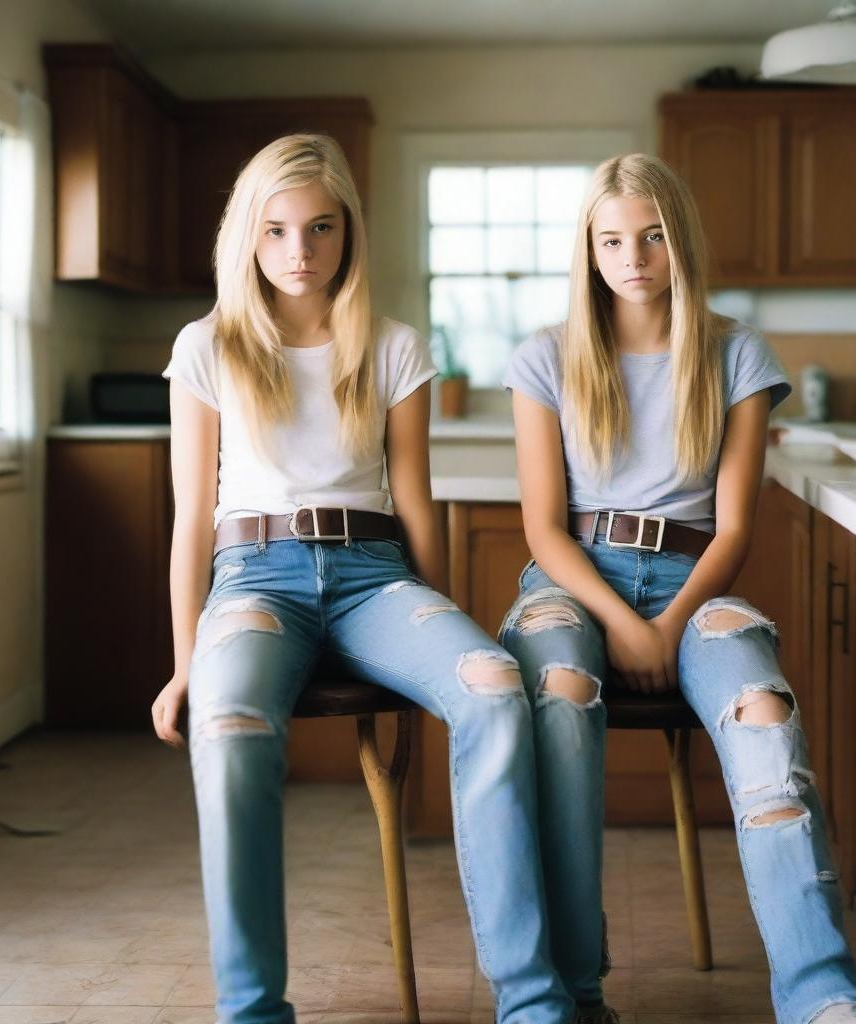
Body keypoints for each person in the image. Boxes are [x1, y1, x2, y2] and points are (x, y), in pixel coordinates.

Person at [150, 133, 573, 1024]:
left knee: (495, 686)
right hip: (253, 579)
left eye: (320, 228)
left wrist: (443, 633)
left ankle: (535, 1005)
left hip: (375, 577)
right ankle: (253, 1010)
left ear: (349, 233)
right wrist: (187, 659)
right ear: (247, 239)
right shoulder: (207, 345)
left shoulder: (393, 346)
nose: (298, 252)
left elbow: (416, 503)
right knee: (224, 727)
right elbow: (192, 517)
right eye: (276, 231)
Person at [498, 153, 856, 1024]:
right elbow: (543, 525)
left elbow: (733, 530)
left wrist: (669, 622)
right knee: (562, 692)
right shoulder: (546, 357)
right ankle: (575, 993)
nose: (633, 256)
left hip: (696, 582)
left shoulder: (737, 354)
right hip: (575, 581)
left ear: (680, 239)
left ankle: (826, 1001)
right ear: (588, 249)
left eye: (651, 236)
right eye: (611, 239)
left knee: (764, 711)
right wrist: (621, 621)